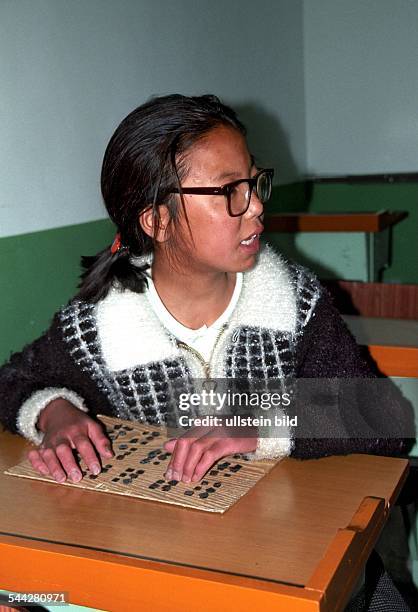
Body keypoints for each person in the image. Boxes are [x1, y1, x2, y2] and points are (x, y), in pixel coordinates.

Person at [0, 94, 412, 488]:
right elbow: (14, 380)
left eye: (254, 182)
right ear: (158, 221)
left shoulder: (295, 305)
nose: (255, 206)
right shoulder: (100, 327)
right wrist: (53, 412)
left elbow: (387, 417)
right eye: (230, 189)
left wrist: (258, 423)